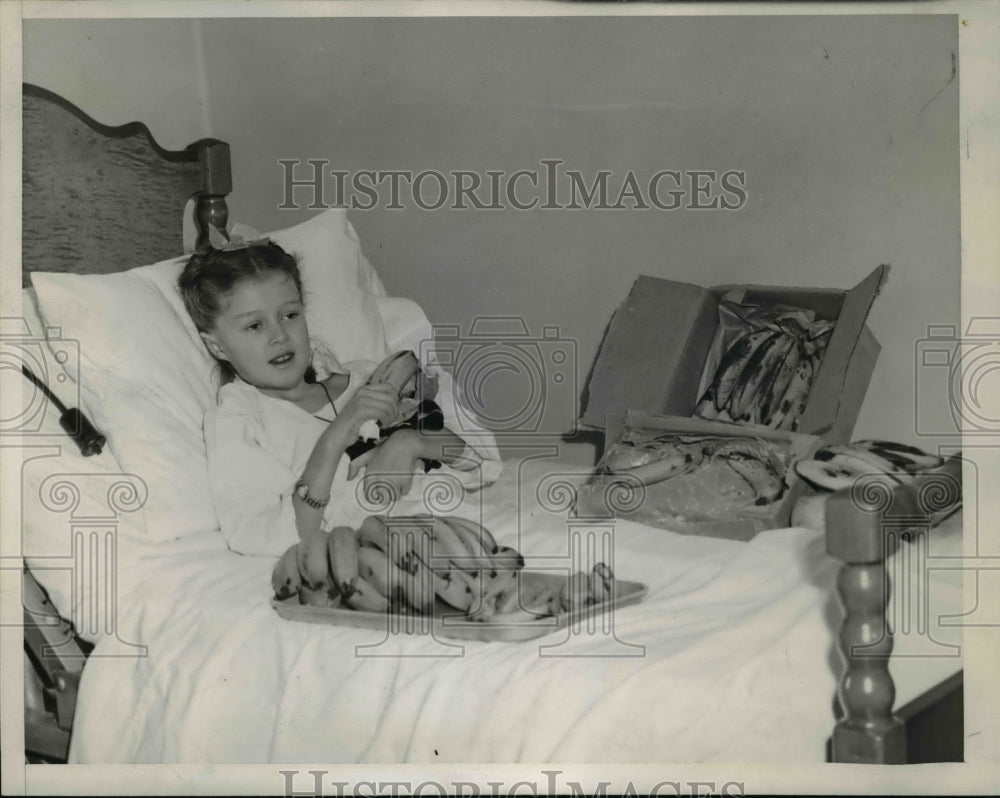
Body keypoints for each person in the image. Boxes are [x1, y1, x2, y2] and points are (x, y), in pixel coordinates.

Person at [179, 239, 489, 556]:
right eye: (255, 325)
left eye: (289, 315)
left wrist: (412, 441)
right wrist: (337, 434)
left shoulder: (365, 379)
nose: (280, 336)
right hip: (389, 560)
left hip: (470, 530)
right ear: (216, 346)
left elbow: (482, 463)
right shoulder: (241, 421)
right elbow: (261, 535)